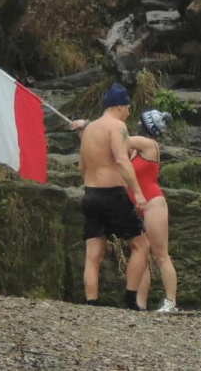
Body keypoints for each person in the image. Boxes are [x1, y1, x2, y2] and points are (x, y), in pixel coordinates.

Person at [73, 83, 151, 309]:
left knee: (93, 252)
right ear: (119, 106)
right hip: (113, 195)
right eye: (128, 107)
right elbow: (121, 159)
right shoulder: (117, 127)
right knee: (141, 245)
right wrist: (136, 191)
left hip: (91, 194)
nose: (129, 111)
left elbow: (81, 166)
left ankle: (92, 301)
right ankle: (130, 300)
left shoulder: (89, 130)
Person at [128, 110, 178, 312]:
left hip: (152, 203)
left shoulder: (148, 144)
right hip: (136, 204)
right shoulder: (134, 148)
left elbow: (116, 137)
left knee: (161, 254)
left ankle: (171, 301)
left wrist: (90, 127)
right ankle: (140, 302)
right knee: (141, 253)